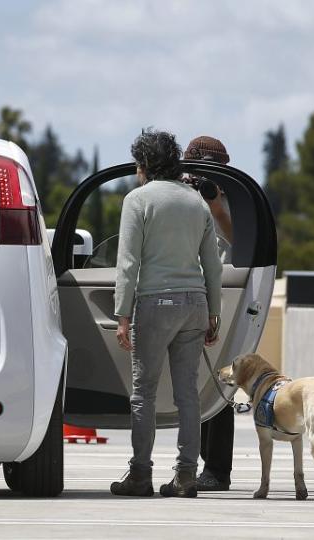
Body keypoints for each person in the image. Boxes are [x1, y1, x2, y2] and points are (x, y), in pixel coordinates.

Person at [110, 129, 223, 498]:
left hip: (155, 304)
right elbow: (213, 265)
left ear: (143, 165)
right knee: (188, 393)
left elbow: (128, 263)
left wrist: (122, 315)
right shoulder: (196, 202)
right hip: (195, 304)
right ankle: (186, 475)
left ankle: (140, 474)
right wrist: (214, 313)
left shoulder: (138, 200)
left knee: (143, 392)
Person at [182, 136, 236, 492]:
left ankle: (217, 467)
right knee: (191, 382)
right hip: (188, 292)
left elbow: (241, 241)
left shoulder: (236, 201)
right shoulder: (180, 197)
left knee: (218, 384)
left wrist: (216, 205)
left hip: (225, 294)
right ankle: (198, 461)